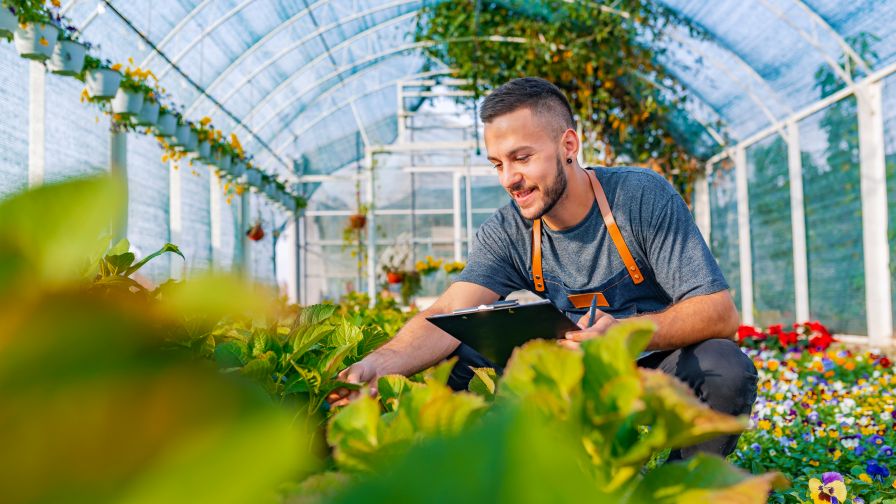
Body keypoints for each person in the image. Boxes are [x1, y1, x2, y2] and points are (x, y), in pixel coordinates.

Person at [327, 77, 757, 460]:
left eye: (522, 157)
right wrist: (377, 366)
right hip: (563, 376)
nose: (508, 178)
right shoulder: (508, 230)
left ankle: (684, 488)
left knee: (725, 367)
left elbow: (719, 312)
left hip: (645, 367)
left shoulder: (639, 198)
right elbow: (445, 315)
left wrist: (621, 334)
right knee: (458, 354)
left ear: (568, 146)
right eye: (498, 163)